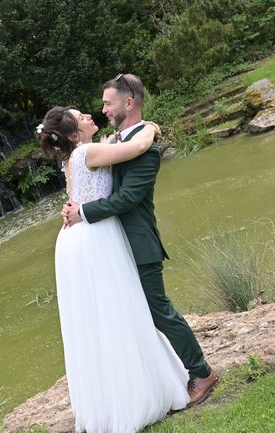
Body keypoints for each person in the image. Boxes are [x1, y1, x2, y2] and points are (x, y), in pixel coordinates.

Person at [62, 74, 219, 405]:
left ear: (128, 103)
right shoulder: (117, 141)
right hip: (113, 248)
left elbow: (127, 199)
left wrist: (83, 212)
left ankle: (202, 372)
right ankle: (150, 381)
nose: (102, 109)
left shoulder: (148, 152)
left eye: (108, 103)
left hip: (138, 243)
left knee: (159, 311)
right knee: (129, 314)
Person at [38, 106, 190, 433]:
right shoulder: (89, 152)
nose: (90, 116)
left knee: (98, 317)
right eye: (82, 118)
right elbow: (136, 148)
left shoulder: (75, 156)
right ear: (75, 134)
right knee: (117, 310)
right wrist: (149, 126)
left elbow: (111, 146)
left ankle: (111, 399)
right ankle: (135, 396)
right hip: (96, 239)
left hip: (76, 240)